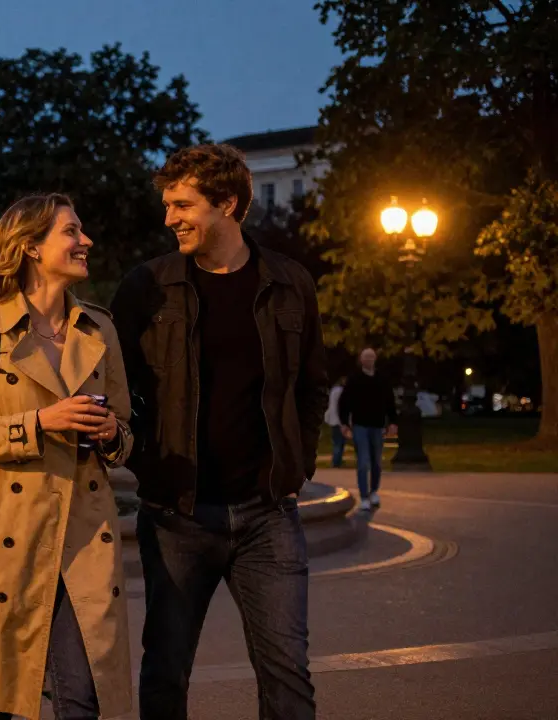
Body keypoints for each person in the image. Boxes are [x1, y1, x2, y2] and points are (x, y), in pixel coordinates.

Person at [110, 143, 328, 720]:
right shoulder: (145, 287)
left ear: (227, 203)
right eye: (166, 205)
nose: (168, 219)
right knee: (165, 674)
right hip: (176, 518)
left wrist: (296, 467)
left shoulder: (290, 283)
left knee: (288, 675)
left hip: (268, 516)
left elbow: (311, 386)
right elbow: (116, 390)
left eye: (181, 205)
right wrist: (148, 467)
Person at [0, 194, 136, 720]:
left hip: (81, 537)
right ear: (31, 247)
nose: (86, 241)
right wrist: (43, 422)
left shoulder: (99, 329)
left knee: (81, 701)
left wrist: (111, 432)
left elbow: (128, 433)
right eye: (71, 231)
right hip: (3, 535)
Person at [337, 348, 398, 511]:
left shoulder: (382, 379)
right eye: (366, 357)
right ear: (360, 359)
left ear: (375, 359)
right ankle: (364, 495)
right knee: (363, 461)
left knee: (376, 462)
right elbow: (344, 402)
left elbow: (390, 401)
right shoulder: (355, 379)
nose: (369, 359)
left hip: (378, 426)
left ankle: (373, 492)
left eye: (371, 357)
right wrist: (344, 423)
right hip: (360, 426)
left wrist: (393, 421)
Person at [326, 376, 347, 468]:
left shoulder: (334, 390)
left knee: (337, 441)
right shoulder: (341, 391)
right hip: (339, 421)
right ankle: (336, 461)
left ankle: (337, 460)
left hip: (333, 420)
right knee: (340, 442)